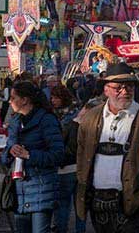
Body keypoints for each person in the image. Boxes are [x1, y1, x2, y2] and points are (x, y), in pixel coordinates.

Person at [76, 62, 139, 233]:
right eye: (118, 88)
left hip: (134, 206)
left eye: (129, 87)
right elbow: (81, 158)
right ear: (106, 89)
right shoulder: (90, 118)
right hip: (98, 205)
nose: (125, 92)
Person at [1, 81, 65, 233]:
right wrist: (10, 151)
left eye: (13, 98)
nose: (10, 101)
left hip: (42, 187)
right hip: (19, 188)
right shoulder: (16, 121)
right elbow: (5, 155)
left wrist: (29, 155)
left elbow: (58, 155)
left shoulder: (46, 120)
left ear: (25, 100)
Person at [50, 85, 84, 233]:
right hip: (76, 164)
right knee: (79, 205)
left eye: (55, 97)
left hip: (67, 165)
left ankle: (62, 229)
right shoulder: (75, 114)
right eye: (52, 97)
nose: (52, 100)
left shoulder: (69, 119)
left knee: (64, 204)